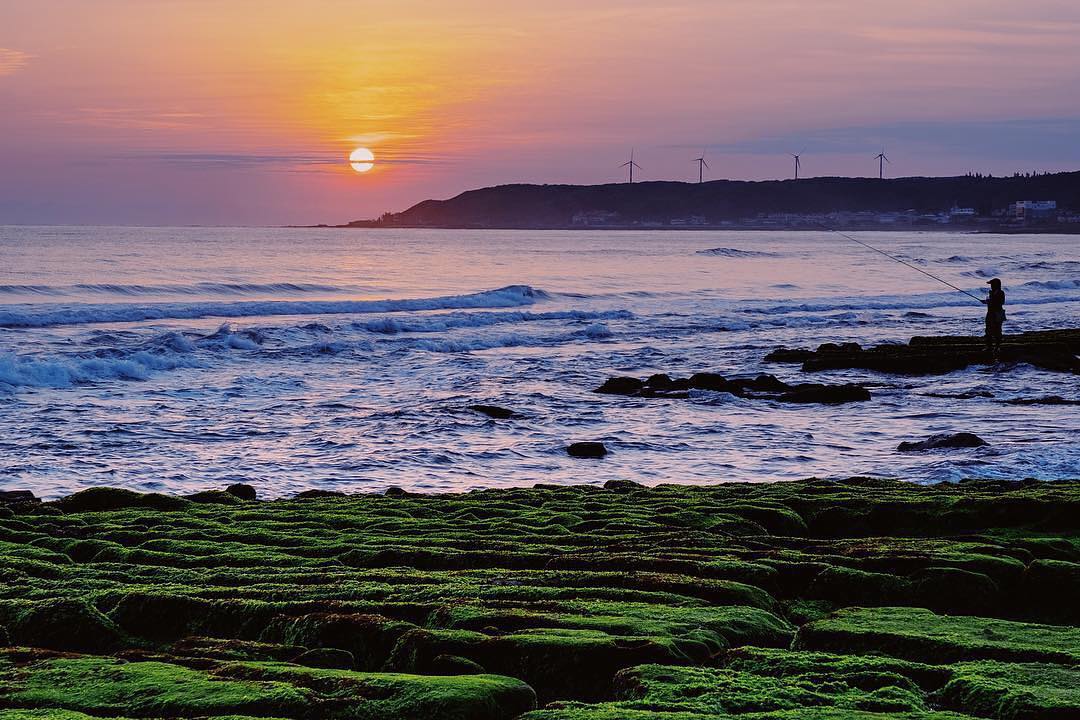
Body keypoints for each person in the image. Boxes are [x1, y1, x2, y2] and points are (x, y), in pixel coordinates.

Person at [982, 277, 1006, 354]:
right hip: (990, 313)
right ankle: (989, 347)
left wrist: (990, 301)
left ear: (996, 285)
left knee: (997, 331)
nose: (991, 286)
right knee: (988, 330)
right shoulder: (991, 293)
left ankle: (997, 347)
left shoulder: (1000, 293)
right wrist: (986, 301)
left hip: (997, 313)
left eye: (992, 284)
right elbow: (990, 301)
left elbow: (1000, 302)